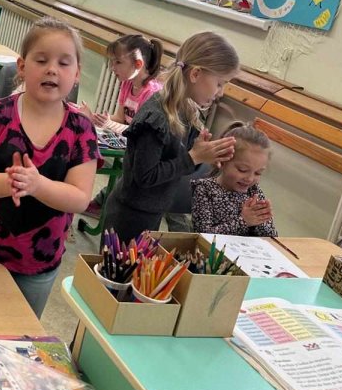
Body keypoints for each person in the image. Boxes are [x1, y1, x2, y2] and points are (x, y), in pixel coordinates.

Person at [0, 17, 99, 318]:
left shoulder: (81, 129)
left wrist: (37, 185)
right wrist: (12, 182)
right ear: (22, 67)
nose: (52, 69)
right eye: (42, 60)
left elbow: (80, 197)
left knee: (22, 333)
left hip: (38, 262)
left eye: (64, 63)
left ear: (76, 74)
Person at [103, 31, 240, 243]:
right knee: (120, 265)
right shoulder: (156, 117)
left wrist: (204, 156)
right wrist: (193, 157)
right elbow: (145, 177)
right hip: (130, 215)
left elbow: (181, 166)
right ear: (195, 74)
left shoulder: (183, 111)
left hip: (151, 211)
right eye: (220, 83)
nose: (220, 92)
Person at [192, 122, 276, 236]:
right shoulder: (205, 189)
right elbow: (203, 235)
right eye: (242, 170)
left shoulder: (254, 191)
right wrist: (244, 221)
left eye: (258, 173)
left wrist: (262, 220)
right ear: (222, 161)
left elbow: (271, 236)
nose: (250, 179)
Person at [84, 34, 164, 135]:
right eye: (112, 62)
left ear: (138, 64)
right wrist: (93, 117)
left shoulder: (151, 94)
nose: (112, 68)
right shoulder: (127, 83)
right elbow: (120, 118)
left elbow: (138, 132)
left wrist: (108, 123)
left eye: (118, 62)